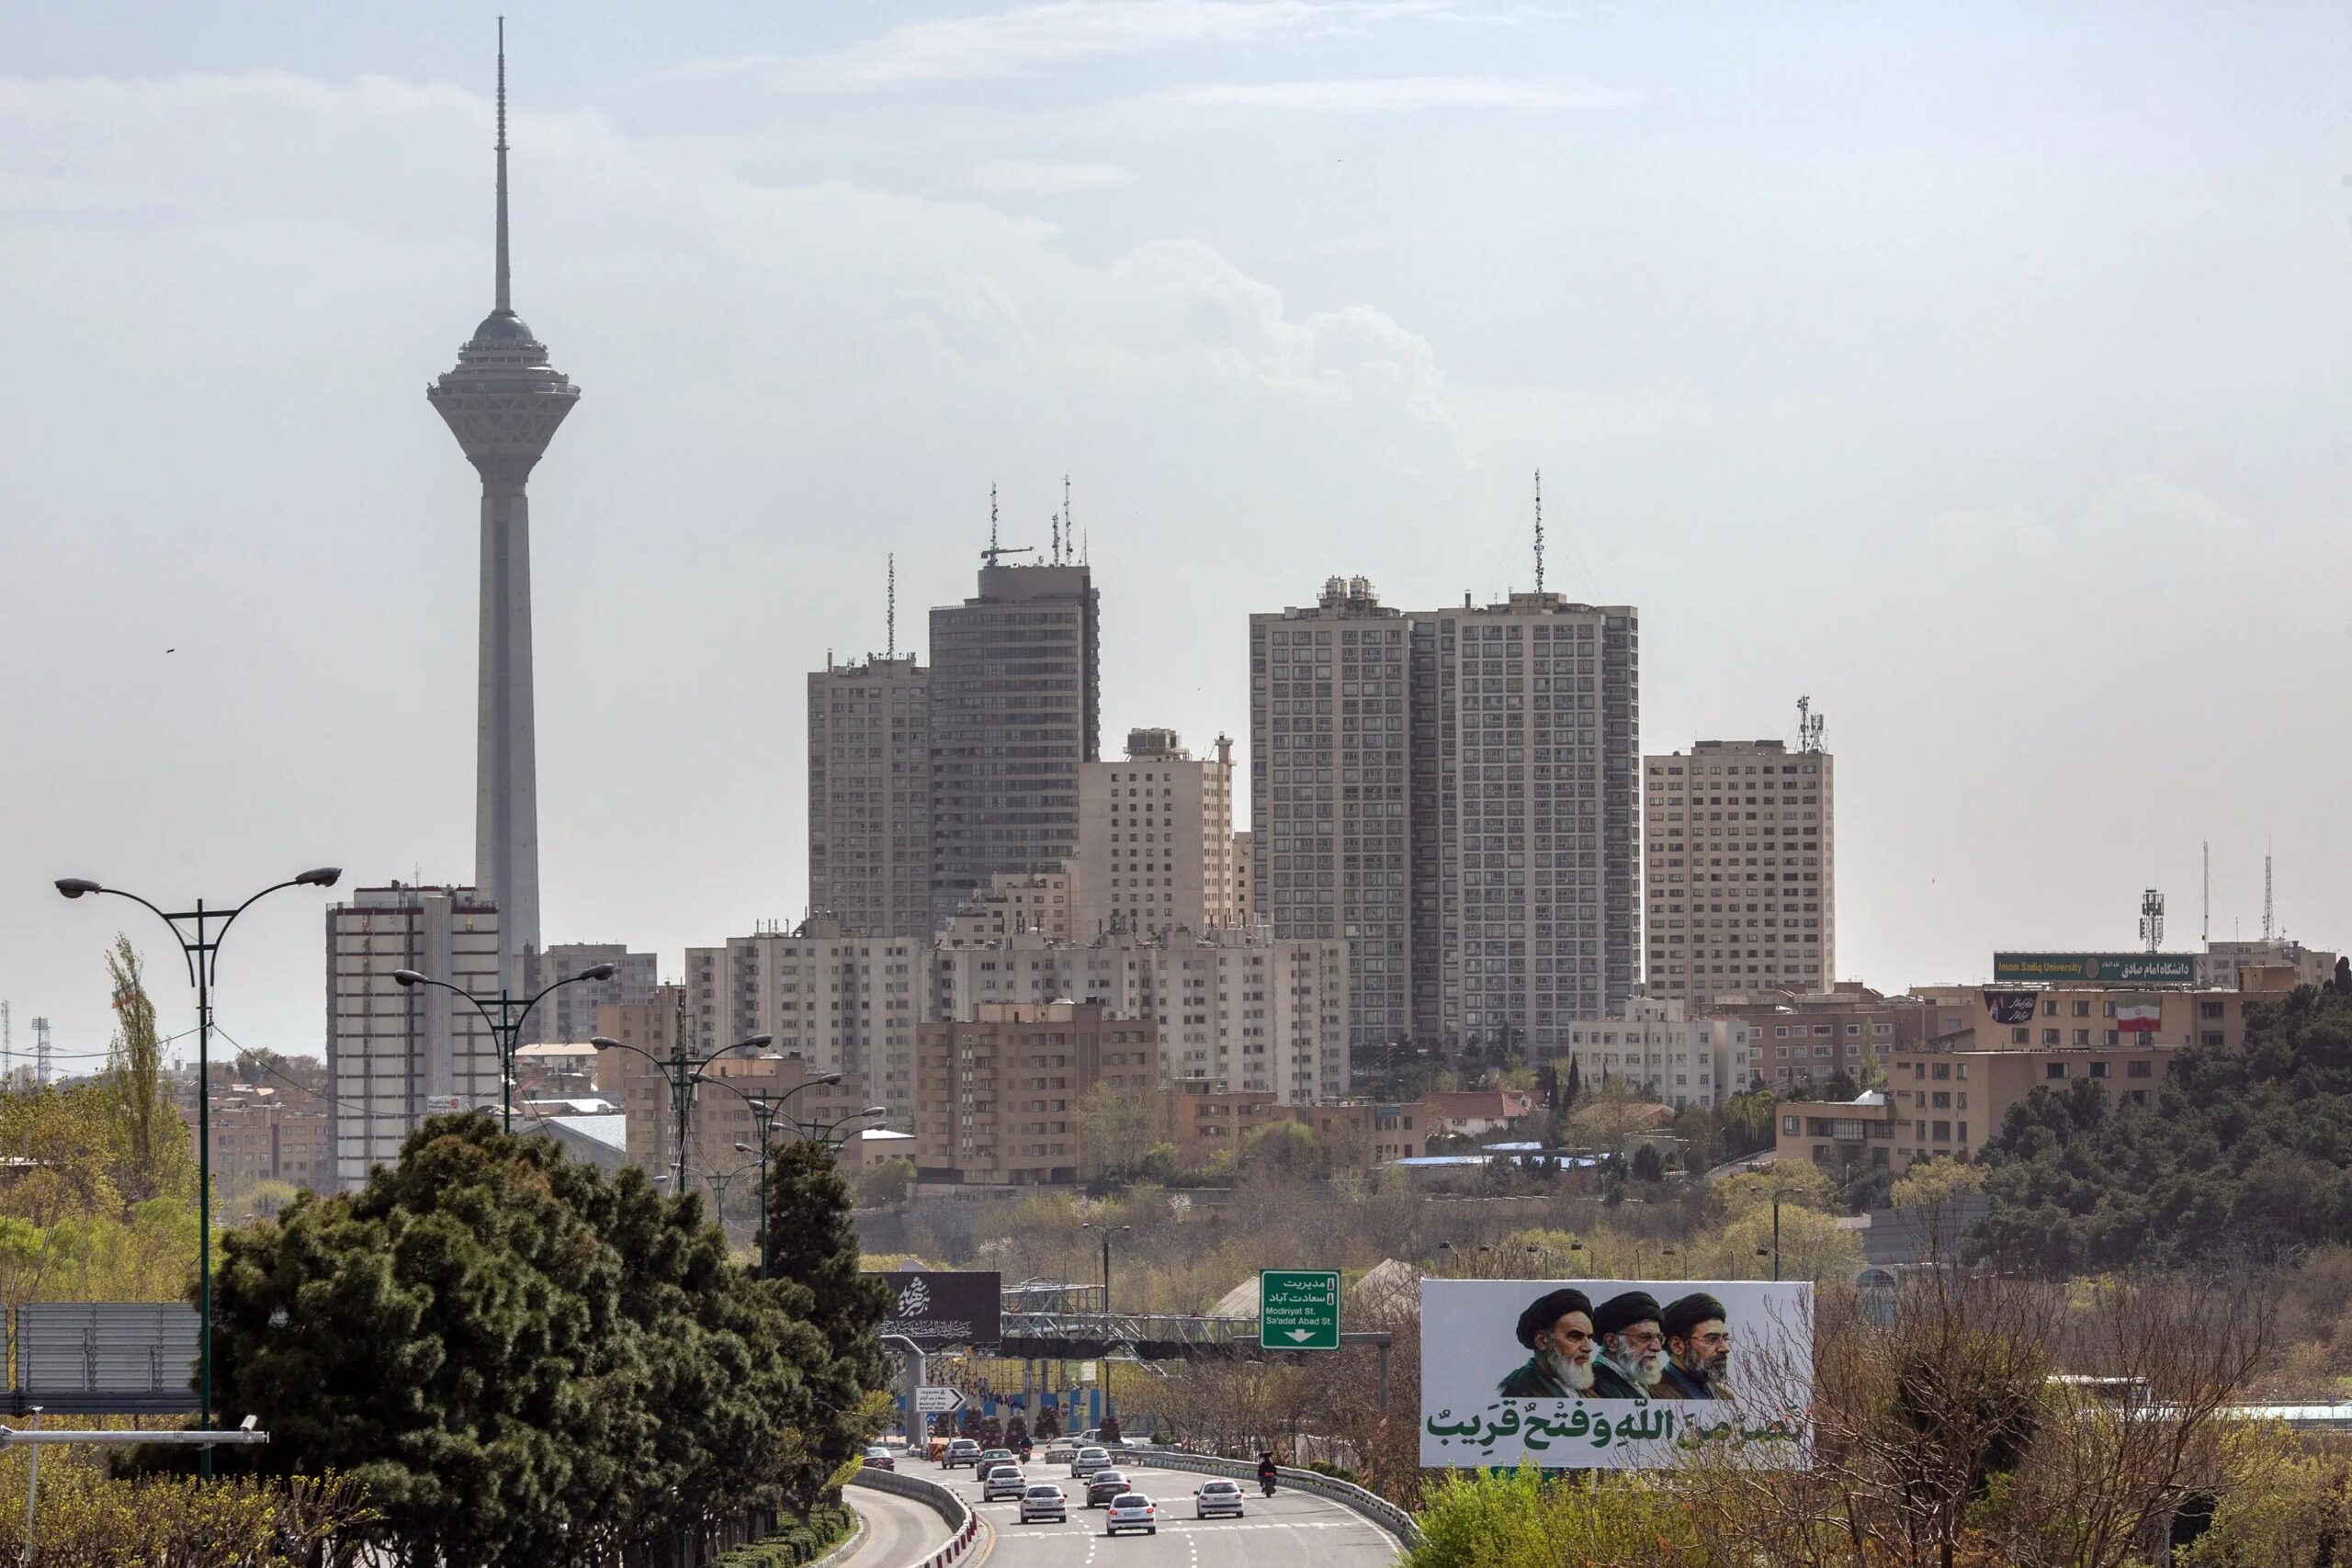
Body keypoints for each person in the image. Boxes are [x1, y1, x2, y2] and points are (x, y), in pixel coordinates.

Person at [1497, 1287, 1597, 1398]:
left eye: (1589, 1337)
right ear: (1542, 1341)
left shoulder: (1584, 1389)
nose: (1588, 1348)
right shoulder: (1518, 1391)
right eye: (1575, 1336)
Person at [1589, 1291, 1667, 1400]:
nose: (1657, 1347)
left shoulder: (1637, 1380)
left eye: (1659, 1338)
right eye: (1645, 1337)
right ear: (1612, 1342)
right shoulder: (1595, 1385)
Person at [1657, 1292, 1732, 1400]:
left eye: (1725, 1339)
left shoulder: (1724, 1396)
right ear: (1677, 1345)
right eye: (1712, 1339)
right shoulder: (1653, 1395)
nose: (1725, 1348)